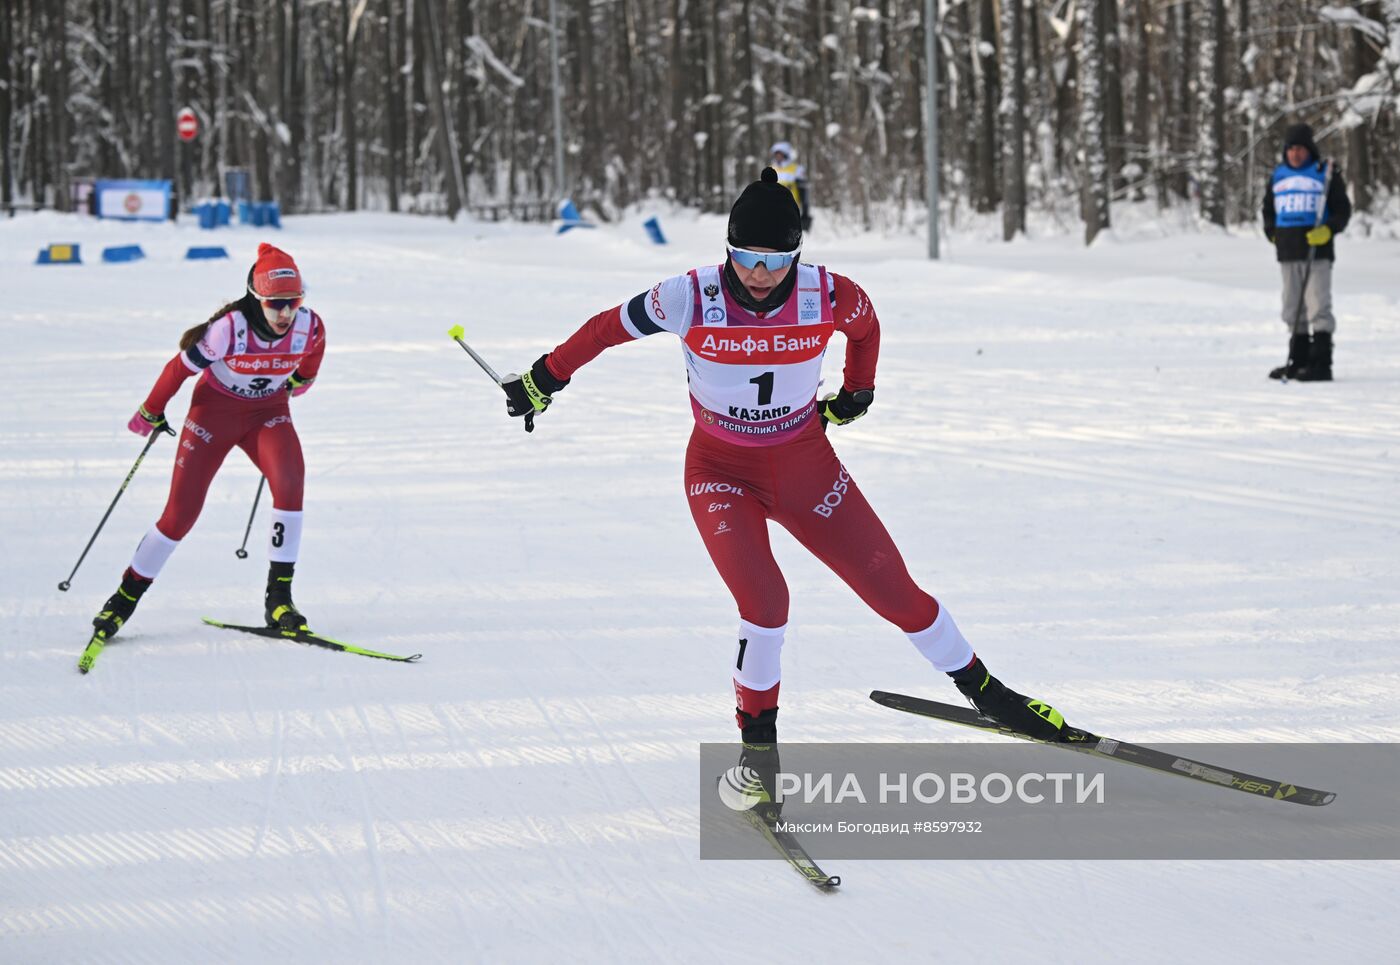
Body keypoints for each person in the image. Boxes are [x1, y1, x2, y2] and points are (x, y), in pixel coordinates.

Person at [500, 168, 1070, 811]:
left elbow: (867, 325)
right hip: (721, 472)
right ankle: (758, 754)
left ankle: (991, 694)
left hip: (806, 466)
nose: (759, 274)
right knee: (767, 603)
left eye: (775, 260)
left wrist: (858, 390)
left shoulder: (828, 295)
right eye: (745, 257)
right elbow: (606, 328)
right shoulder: (689, 296)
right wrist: (544, 379)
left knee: (897, 592)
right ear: (728, 250)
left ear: (796, 255)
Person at [89, 243, 326, 645]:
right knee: (180, 514)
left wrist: (300, 381)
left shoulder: (310, 325)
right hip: (214, 416)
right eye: (275, 304)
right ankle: (123, 599)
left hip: (267, 413)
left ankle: (280, 600)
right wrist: (150, 410)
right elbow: (177, 369)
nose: (285, 313)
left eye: (293, 302)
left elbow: (312, 356)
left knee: (290, 484)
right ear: (256, 299)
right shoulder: (229, 328)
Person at [1262, 123, 1350, 382]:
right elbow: (1268, 210)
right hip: (1288, 251)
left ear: (1309, 150)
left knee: (1317, 306)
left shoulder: (1325, 174)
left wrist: (1328, 229)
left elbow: (1342, 211)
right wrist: (1272, 232)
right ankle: (1298, 360)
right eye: (1291, 149)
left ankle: (1321, 363)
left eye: (1300, 149)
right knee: (1292, 308)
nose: (1295, 154)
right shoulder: (1278, 177)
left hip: (1316, 252)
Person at [769, 141, 811, 232]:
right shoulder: (771, 169)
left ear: (786, 154)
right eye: (776, 154)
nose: (778, 157)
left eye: (780, 154)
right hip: (773, 208)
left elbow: (804, 192)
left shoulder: (797, 170)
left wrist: (805, 212)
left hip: (791, 207)